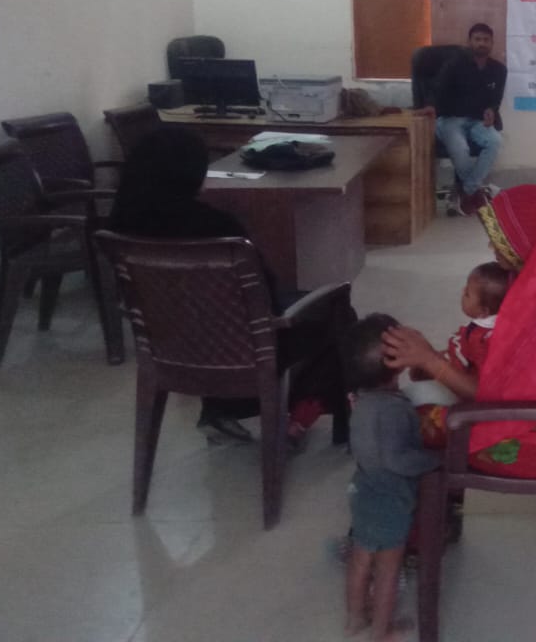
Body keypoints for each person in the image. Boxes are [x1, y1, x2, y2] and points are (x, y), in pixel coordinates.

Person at [108, 127, 344, 447]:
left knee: (214, 320)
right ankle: (295, 418)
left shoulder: (118, 226)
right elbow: (266, 296)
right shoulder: (217, 227)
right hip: (241, 348)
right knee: (337, 310)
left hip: (166, 347)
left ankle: (222, 409)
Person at [383, 185, 536, 478]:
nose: (493, 248)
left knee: (395, 418)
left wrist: (432, 361)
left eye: (500, 240)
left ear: (527, 238)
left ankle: (400, 493)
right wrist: (438, 361)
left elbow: (495, 398)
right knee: (408, 405)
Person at [343, 315, 440, 642]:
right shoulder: (395, 409)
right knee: (387, 570)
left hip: (362, 492)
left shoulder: (358, 401)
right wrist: (434, 460)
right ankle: (381, 632)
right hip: (390, 503)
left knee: (360, 561)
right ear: (396, 366)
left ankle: (355, 620)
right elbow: (399, 460)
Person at [398, 262, 512, 419]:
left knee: (411, 398)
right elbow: (464, 354)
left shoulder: (484, 339)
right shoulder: (484, 327)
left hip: (466, 399)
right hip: (458, 375)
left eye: (468, 294)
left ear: (484, 311)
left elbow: (480, 390)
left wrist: (432, 363)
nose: (462, 291)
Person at [434, 23, 507, 216]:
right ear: (470, 42)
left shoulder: (499, 70)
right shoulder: (453, 65)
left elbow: (495, 99)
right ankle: (476, 192)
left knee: (495, 141)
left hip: (478, 121)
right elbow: (438, 95)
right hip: (451, 119)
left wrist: (492, 110)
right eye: (477, 39)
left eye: (486, 40)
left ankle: (466, 191)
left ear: (492, 43)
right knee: (460, 148)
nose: (481, 43)